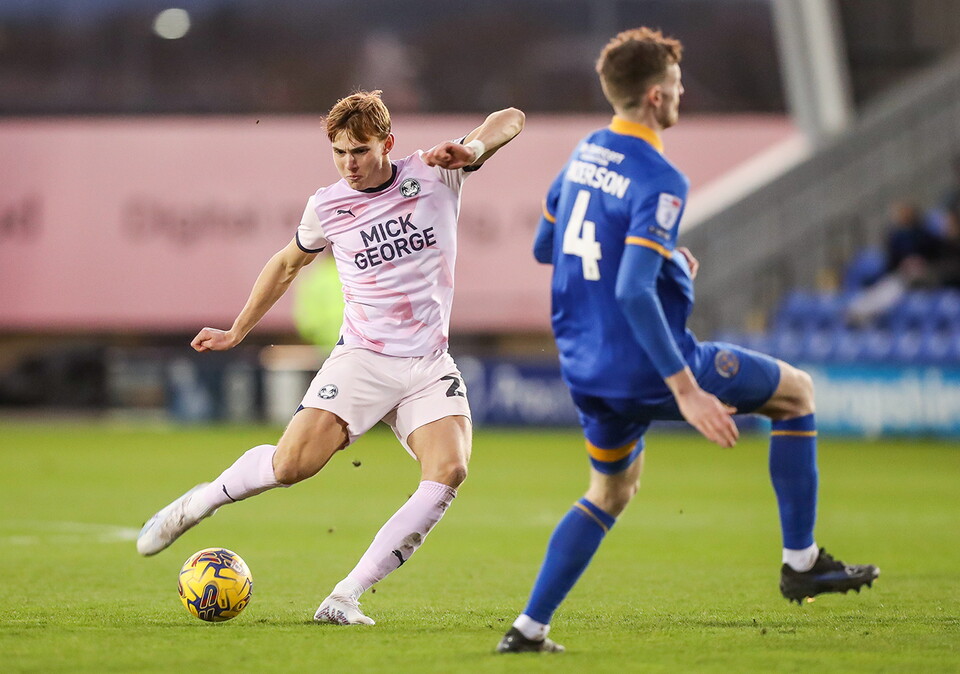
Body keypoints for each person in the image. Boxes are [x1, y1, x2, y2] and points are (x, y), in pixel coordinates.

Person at [496, 28, 878, 654]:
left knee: (611, 490)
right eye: (675, 85)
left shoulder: (586, 152)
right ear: (653, 97)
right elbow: (631, 291)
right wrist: (688, 391)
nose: (681, 94)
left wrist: (664, 255)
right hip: (651, 364)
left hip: (584, 368)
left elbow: (546, 247)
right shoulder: (661, 177)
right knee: (796, 393)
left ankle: (528, 629)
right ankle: (802, 560)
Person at [137, 90, 525, 625]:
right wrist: (237, 331)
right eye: (340, 152)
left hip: (429, 364)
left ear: (387, 144)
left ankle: (344, 596)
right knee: (289, 467)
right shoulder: (327, 206)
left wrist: (475, 147)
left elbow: (510, 118)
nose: (350, 163)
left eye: (360, 150)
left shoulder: (436, 173)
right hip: (363, 360)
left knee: (450, 470)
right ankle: (199, 502)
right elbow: (285, 265)